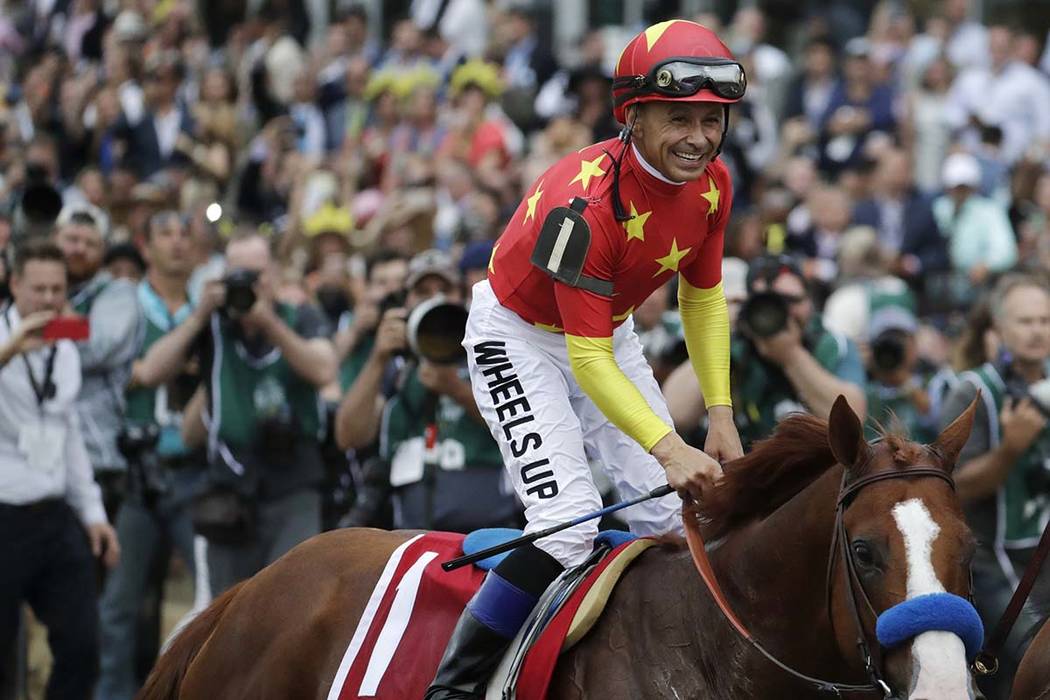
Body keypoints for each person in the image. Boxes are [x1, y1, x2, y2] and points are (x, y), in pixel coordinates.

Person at [425, 20, 745, 699]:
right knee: (567, 524)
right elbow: (587, 359)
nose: (699, 137)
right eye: (679, 118)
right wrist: (669, 447)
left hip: (606, 331)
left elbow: (705, 298)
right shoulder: (585, 203)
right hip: (519, 335)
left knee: (673, 518)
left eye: (712, 119)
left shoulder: (715, 183)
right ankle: (454, 687)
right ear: (633, 115)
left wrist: (719, 413)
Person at [137, 232, 336, 594]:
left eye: (257, 276)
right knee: (229, 613)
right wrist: (198, 315)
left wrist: (270, 323)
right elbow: (151, 371)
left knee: (290, 602)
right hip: (228, 490)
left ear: (273, 274)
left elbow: (323, 370)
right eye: (238, 277)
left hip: (292, 484)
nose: (249, 286)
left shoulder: (300, 316)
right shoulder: (213, 325)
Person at [0, 240, 119, 699]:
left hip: (53, 515)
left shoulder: (65, 348)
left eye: (57, 289)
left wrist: (93, 514)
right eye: (38, 290)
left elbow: (69, 438)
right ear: (14, 285)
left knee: (83, 646)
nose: (49, 300)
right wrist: (10, 350)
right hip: (5, 514)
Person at [97, 212, 205, 700]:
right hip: (138, 467)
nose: (178, 243)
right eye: (166, 233)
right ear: (145, 246)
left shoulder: (209, 301)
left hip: (194, 467)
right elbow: (135, 375)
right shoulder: (127, 305)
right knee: (121, 601)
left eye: (184, 234)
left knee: (210, 595)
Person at [335, 250, 516, 532]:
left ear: (462, 296)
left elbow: (515, 426)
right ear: (405, 301)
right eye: (422, 291)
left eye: (445, 289)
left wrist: (457, 390)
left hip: (488, 523)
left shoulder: (489, 347)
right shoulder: (395, 360)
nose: (435, 299)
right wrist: (379, 358)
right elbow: (349, 436)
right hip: (413, 528)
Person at [938, 274, 1050, 700]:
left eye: (1044, 320)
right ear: (999, 329)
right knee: (1034, 657)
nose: (1037, 330)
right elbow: (953, 490)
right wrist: (1010, 450)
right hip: (994, 558)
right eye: (1025, 321)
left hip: (1045, 549)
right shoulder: (972, 392)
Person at [53, 203, 143, 515]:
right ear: (55, 240)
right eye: (72, 239)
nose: (79, 249)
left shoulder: (118, 292)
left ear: (103, 251)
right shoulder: (30, 288)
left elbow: (97, 346)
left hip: (96, 456)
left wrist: (42, 318)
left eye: (90, 243)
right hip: (35, 460)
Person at [726, 255, 867, 449]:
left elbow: (852, 419)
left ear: (809, 301)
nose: (781, 311)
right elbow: (679, 414)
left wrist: (791, 356)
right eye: (767, 302)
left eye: (789, 300)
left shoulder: (832, 343)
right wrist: (721, 336)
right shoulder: (738, 344)